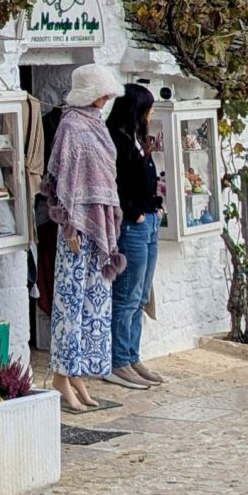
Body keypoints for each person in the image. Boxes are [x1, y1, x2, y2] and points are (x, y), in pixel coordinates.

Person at [44, 63, 125, 413]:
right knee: (70, 302)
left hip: (100, 224)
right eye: (104, 93)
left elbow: (105, 170)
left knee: (96, 303)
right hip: (75, 227)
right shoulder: (72, 125)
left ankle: (79, 372)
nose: (107, 99)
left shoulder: (97, 125)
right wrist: (69, 225)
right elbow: (65, 177)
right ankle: (61, 374)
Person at [107, 82, 167, 390]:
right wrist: (134, 212)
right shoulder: (116, 140)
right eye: (148, 107)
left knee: (142, 295)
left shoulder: (137, 138)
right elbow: (114, 185)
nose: (152, 112)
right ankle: (119, 360)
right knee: (127, 295)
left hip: (149, 220)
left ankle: (132, 355)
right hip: (133, 225)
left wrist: (155, 208)